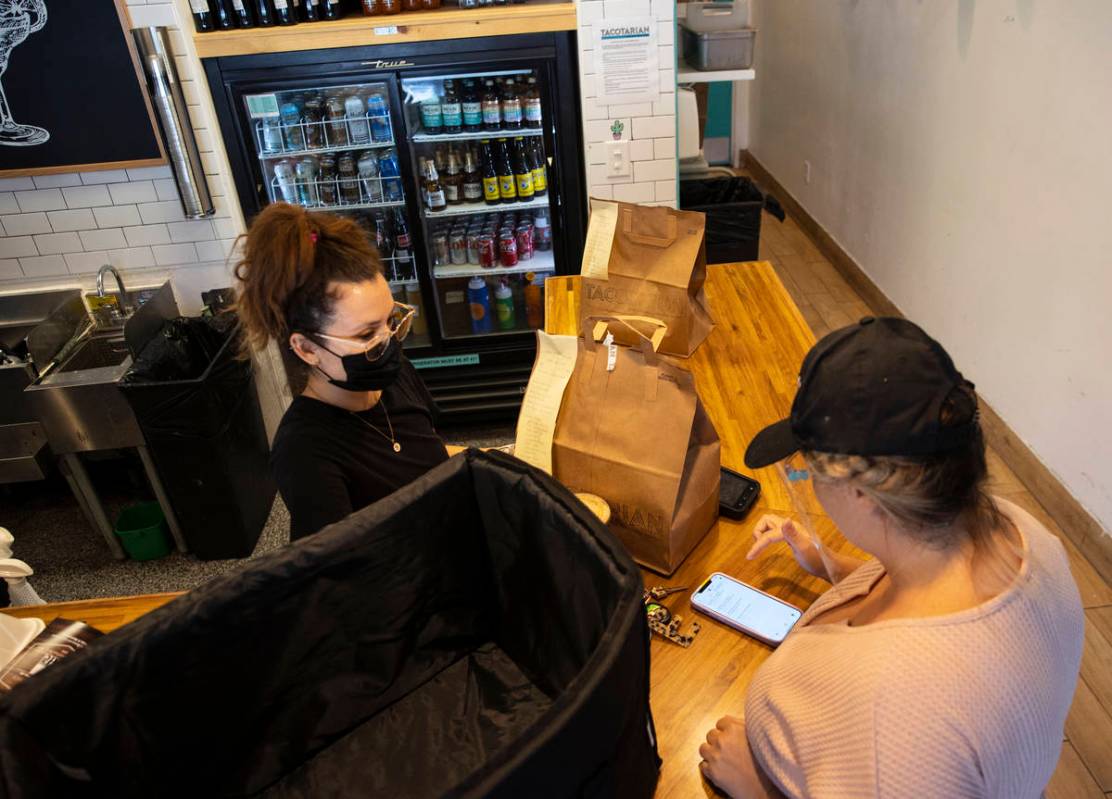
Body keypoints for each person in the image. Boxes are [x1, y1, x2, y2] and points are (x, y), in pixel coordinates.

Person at [698, 317, 1084, 799]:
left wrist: (759, 787)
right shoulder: (1026, 536)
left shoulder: (898, 715)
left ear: (860, 492)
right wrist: (829, 565)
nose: (806, 484)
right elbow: (926, 606)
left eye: (809, 472)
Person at [234, 203, 450, 541]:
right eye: (366, 335)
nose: (388, 342)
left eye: (391, 322)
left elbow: (432, 454)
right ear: (306, 349)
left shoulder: (395, 376)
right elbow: (345, 573)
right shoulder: (304, 453)